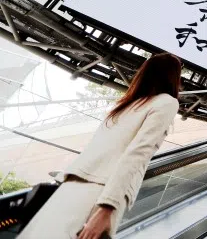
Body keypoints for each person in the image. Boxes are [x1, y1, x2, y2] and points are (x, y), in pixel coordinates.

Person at [21, 53, 182, 239]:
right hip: (100, 193)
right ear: (173, 77)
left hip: (70, 188)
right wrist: (108, 207)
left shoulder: (123, 106)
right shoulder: (167, 103)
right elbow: (137, 155)